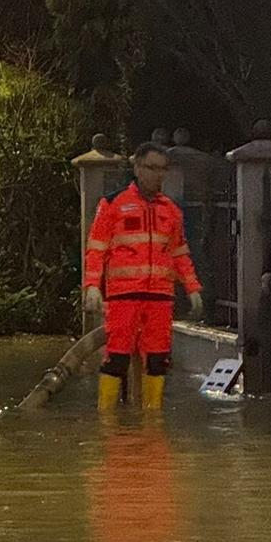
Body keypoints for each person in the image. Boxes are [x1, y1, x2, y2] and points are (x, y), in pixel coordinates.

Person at [83, 142, 204, 412]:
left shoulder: (171, 210)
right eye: (152, 168)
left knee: (158, 360)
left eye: (162, 169)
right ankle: (107, 419)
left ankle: (152, 420)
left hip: (160, 297)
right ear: (137, 168)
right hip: (123, 297)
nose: (158, 175)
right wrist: (92, 286)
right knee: (116, 358)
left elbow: (179, 253)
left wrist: (192, 288)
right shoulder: (113, 204)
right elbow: (96, 249)